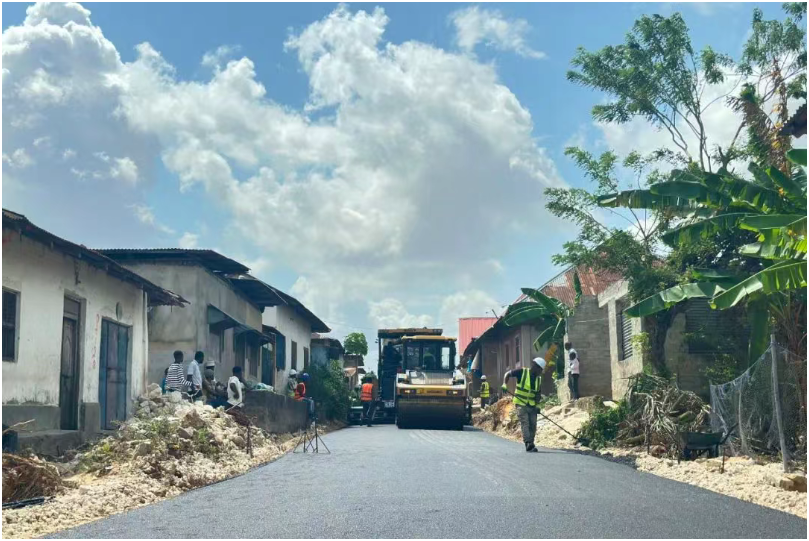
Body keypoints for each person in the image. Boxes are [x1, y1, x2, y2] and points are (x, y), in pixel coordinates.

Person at [502, 357, 545, 452]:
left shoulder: (538, 379)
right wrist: (505, 384)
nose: (541, 372)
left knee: (533, 425)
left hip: (532, 405)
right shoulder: (522, 372)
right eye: (540, 370)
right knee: (525, 422)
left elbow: (538, 394)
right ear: (535, 367)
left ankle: (531, 443)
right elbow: (507, 374)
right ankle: (528, 443)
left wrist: (537, 406)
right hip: (520, 403)